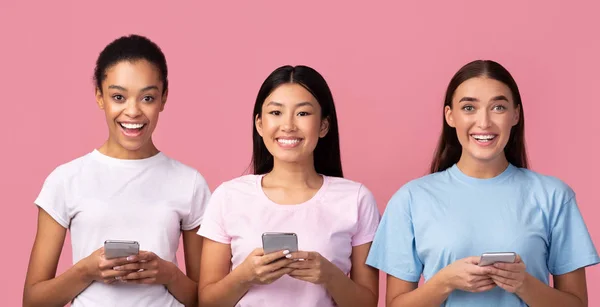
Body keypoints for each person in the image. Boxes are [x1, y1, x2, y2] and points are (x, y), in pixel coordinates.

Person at [366, 60, 599, 306]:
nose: (484, 122)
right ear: (450, 115)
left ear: (515, 114)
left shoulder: (554, 196)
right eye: (469, 108)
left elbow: (577, 303)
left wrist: (524, 284)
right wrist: (445, 282)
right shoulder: (411, 198)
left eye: (498, 107)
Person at [23, 34, 210, 307]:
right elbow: (33, 300)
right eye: (118, 96)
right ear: (100, 96)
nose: (132, 111)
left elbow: (207, 300)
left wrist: (168, 274)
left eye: (147, 97)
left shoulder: (190, 183)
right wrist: (86, 270)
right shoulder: (65, 180)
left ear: (163, 98)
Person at [196, 65, 380, 307]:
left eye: (303, 114)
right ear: (260, 124)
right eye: (276, 113)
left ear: (324, 126)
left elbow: (368, 303)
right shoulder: (228, 196)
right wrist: (245, 276)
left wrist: (329, 275)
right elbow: (206, 302)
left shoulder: (356, 199)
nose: (289, 126)